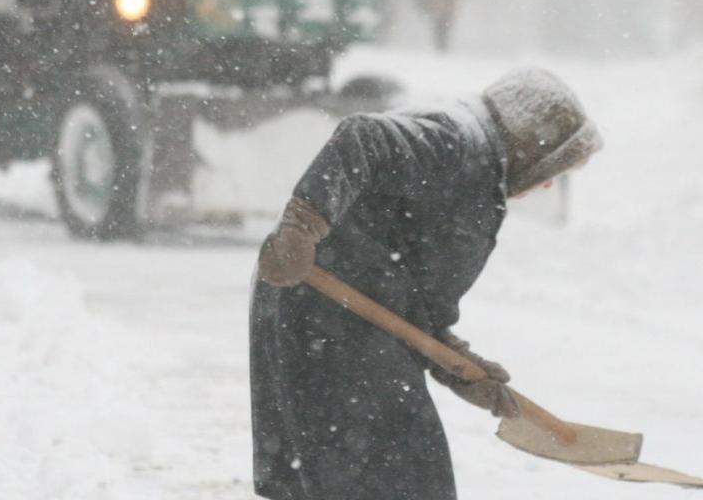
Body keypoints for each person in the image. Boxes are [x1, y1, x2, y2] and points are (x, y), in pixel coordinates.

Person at [250, 67, 603, 500]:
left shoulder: (477, 170)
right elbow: (362, 138)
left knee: (371, 476)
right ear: (531, 144)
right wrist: (302, 226)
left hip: (352, 322)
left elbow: (411, 288)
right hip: (328, 315)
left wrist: (456, 365)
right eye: (552, 167)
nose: (548, 182)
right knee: (395, 476)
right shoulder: (454, 143)